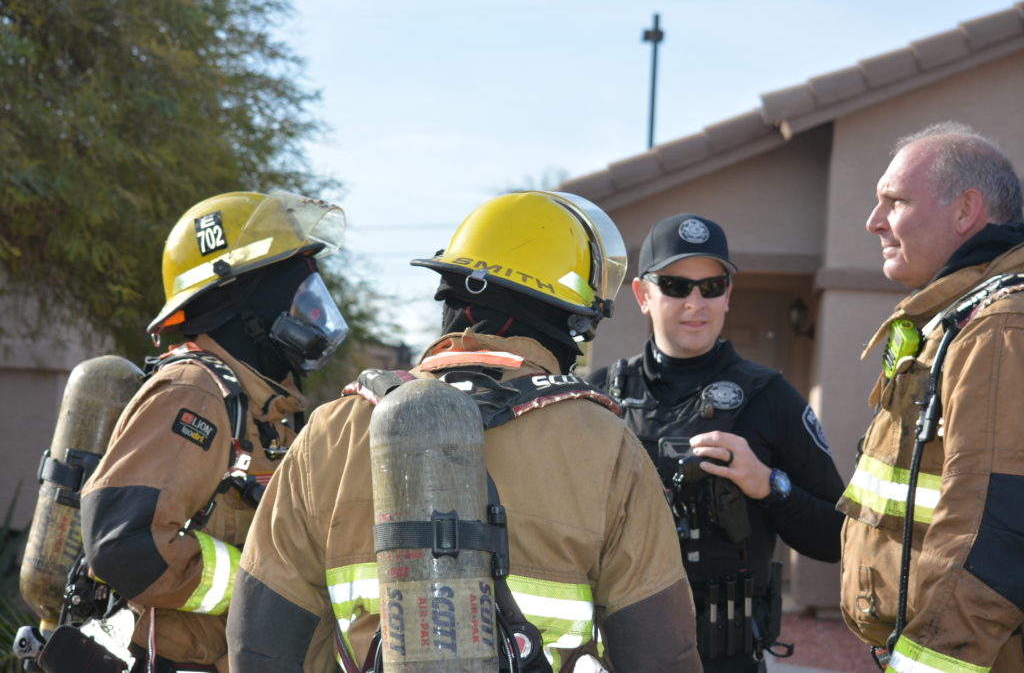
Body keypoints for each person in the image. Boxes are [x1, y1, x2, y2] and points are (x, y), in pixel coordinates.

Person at [226, 190, 703, 672]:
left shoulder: (333, 431)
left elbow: (260, 639)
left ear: (450, 295)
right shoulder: (606, 445)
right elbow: (661, 653)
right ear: (568, 319)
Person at [79, 191, 349, 672]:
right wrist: (263, 588)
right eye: (290, 288)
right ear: (241, 301)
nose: (310, 311)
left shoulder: (268, 407)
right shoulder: (196, 392)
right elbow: (125, 545)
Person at [587, 213, 845, 673]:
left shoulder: (772, 398)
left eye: (711, 286)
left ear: (728, 294)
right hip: (619, 655)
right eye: (675, 286)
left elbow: (836, 537)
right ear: (643, 295)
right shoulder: (599, 397)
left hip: (728, 657)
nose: (696, 303)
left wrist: (769, 485)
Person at [838, 121, 1024, 671]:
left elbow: (990, 533)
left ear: (966, 211)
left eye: (895, 201)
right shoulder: (960, 319)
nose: (874, 221)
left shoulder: (999, 328)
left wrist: (928, 664)